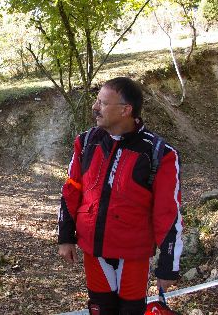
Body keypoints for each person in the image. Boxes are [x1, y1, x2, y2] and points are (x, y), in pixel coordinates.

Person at [58, 77, 183, 314]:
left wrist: (168, 267)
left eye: (103, 103)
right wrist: (65, 237)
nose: (95, 107)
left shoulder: (159, 153)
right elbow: (71, 190)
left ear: (126, 110)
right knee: (100, 309)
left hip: (133, 255)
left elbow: (168, 213)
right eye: (97, 100)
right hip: (94, 251)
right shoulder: (85, 142)